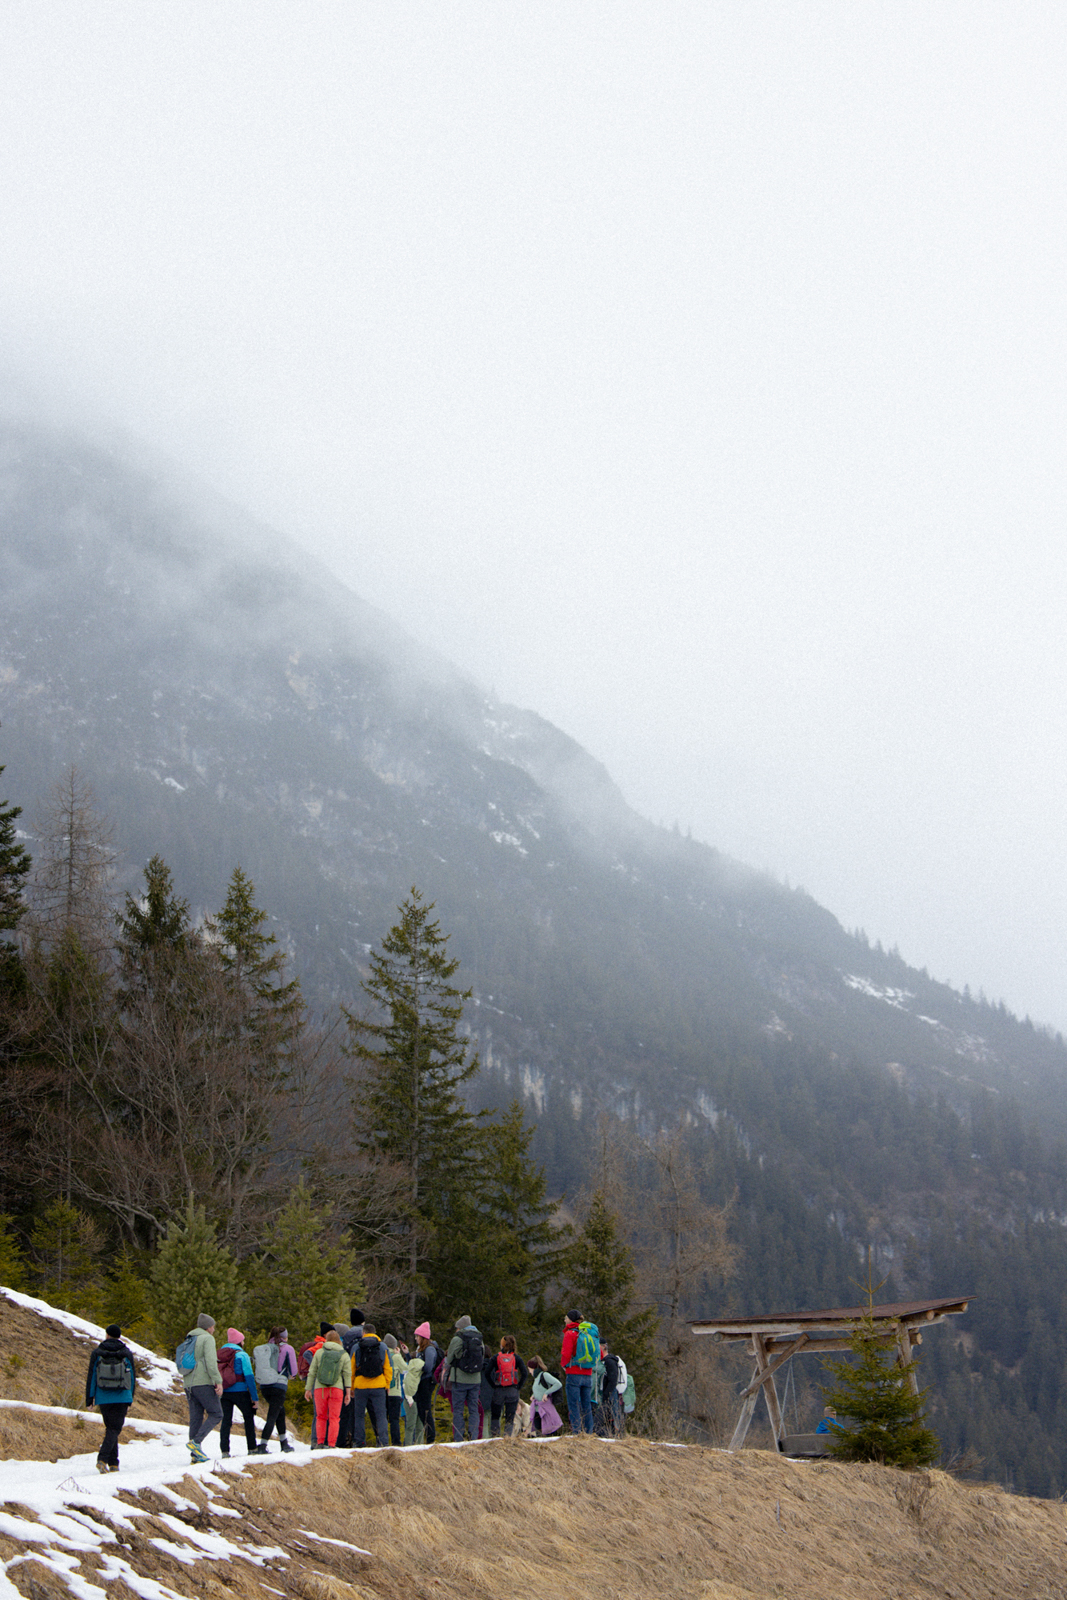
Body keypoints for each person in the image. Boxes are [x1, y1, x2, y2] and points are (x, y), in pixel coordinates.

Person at [85, 1324, 137, 1473]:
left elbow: (92, 1376)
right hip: (122, 1396)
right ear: (119, 1336)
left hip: (103, 1396)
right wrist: (130, 1398)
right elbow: (132, 1377)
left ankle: (114, 1464)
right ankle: (102, 1459)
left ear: (107, 1335)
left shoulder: (98, 1352)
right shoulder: (126, 1352)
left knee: (111, 1429)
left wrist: (90, 1399)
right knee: (114, 1429)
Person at [182, 1313, 223, 1463]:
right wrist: (218, 1381)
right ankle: (196, 1442)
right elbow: (211, 1363)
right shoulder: (207, 1339)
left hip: (188, 1383)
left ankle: (195, 1455)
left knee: (196, 1417)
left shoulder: (189, 1339)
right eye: (213, 1326)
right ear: (209, 1327)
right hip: (203, 1382)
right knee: (217, 1413)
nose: (213, 1329)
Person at [252, 1326, 297, 1453]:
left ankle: (284, 1443)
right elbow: (294, 1371)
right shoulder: (288, 1348)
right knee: (272, 1415)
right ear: (285, 1337)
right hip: (279, 1385)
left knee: (279, 1412)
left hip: (265, 1386)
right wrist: (289, 1376)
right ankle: (262, 1445)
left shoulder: (266, 1347)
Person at [305, 1329, 351, 1448]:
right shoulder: (344, 1354)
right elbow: (347, 1374)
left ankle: (320, 1442)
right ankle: (331, 1444)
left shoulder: (319, 1352)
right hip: (337, 1389)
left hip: (320, 1388)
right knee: (334, 1418)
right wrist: (348, 1392)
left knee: (320, 1416)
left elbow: (312, 1372)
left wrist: (308, 1389)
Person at [218, 1329, 258, 1457]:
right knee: (248, 1418)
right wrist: (254, 1397)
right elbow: (249, 1377)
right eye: (243, 1340)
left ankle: (225, 1451)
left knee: (226, 1421)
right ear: (239, 1342)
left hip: (224, 1392)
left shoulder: (220, 1354)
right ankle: (252, 1448)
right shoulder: (242, 1355)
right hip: (241, 1392)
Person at [350, 1322, 392, 1447]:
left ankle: (359, 1442)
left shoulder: (356, 1346)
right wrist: (387, 1384)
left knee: (359, 1416)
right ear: (375, 1333)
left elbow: (351, 1369)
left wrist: (351, 1387)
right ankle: (383, 1441)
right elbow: (388, 1367)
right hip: (378, 1385)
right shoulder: (382, 1346)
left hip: (360, 1386)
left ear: (363, 1333)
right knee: (381, 1415)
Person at [444, 1315, 484, 1442]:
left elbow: (449, 1358)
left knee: (458, 1410)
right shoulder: (479, 1338)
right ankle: (474, 1436)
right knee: (473, 1409)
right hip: (475, 1380)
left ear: (460, 1327)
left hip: (460, 1380)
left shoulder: (458, 1338)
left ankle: (459, 1438)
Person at [484, 1335, 528, 1438]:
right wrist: (518, 1386)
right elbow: (524, 1373)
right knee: (510, 1417)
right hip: (512, 1390)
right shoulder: (516, 1358)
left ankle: (495, 1437)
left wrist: (493, 1385)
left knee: (495, 1416)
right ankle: (507, 1438)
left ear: (502, 1345)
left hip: (499, 1390)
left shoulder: (496, 1357)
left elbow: (487, 1373)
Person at [560, 1310, 596, 1435]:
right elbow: (599, 1354)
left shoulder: (570, 1334)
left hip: (574, 1373)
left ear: (571, 1319)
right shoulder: (588, 1333)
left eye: (566, 1318)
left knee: (573, 1404)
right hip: (588, 1373)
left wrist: (564, 1365)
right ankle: (589, 1432)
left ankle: (576, 1432)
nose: (564, 1320)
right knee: (587, 1405)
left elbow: (566, 1353)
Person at [336, 1308, 365, 1448]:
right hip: (365, 1379)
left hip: (347, 1378)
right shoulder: (366, 1334)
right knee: (360, 1412)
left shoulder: (346, 1336)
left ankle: (342, 1441)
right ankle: (358, 1440)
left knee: (346, 1412)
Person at [412, 1323, 442, 1445]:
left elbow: (428, 1366)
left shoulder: (429, 1349)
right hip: (421, 1381)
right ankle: (428, 1436)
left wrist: (418, 1368)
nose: (415, 1339)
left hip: (426, 1381)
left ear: (422, 1337)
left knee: (425, 1409)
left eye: (417, 1336)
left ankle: (430, 1437)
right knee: (421, 1409)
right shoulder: (421, 1349)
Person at [526, 1356, 564, 1436]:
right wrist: (533, 1395)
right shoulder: (536, 1378)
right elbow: (539, 1389)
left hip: (545, 1409)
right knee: (538, 1433)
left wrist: (547, 1393)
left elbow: (558, 1384)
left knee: (548, 1432)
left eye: (529, 1369)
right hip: (537, 1409)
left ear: (533, 1368)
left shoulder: (544, 1375)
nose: (529, 1371)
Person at [383, 1333, 408, 1445]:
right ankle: (396, 1442)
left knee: (382, 1419)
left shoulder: (382, 1354)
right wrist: (399, 1354)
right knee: (394, 1420)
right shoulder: (396, 1357)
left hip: (382, 1392)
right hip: (395, 1392)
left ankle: (383, 1442)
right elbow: (406, 1369)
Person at [595, 1341, 623, 1437]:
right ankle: (609, 1434)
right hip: (607, 1392)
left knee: (611, 1415)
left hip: (610, 1393)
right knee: (607, 1416)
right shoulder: (604, 1361)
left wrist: (607, 1394)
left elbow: (613, 1379)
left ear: (603, 1347)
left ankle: (616, 1434)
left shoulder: (609, 1361)